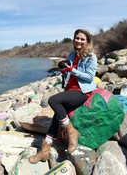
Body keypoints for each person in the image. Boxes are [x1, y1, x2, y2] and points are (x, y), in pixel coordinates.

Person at [29, 29, 98, 164]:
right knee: (57, 117)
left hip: (82, 91)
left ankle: (72, 132)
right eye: (77, 38)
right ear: (74, 40)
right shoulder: (72, 55)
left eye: (82, 39)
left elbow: (90, 77)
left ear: (88, 41)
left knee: (53, 100)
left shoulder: (91, 57)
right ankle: (44, 151)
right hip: (70, 90)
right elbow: (70, 76)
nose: (79, 41)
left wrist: (73, 70)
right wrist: (65, 72)